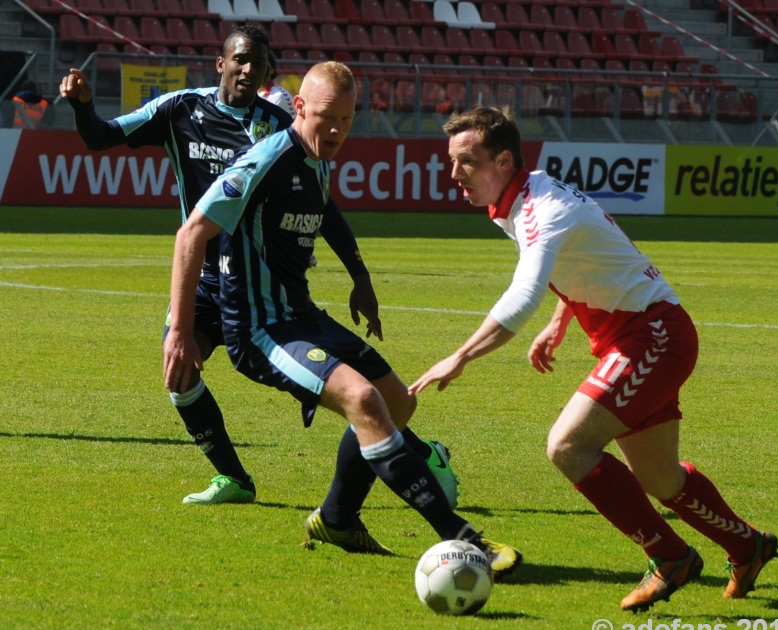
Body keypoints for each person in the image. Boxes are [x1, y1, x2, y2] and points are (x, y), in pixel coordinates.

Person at [59, 27, 458, 513]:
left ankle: (418, 452)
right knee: (179, 373)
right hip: (202, 279)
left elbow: (323, 207)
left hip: (256, 287)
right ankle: (233, 476)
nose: (250, 70)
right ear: (221, 63)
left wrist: (359, 273)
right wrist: (81, 106)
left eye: (260, 64)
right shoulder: (178, 109)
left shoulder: (279, 128)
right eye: (241, 60)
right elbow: (101, 138)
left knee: (337, 386)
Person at [409, 106, 778, 611]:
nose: (453, 174)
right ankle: (746, 545)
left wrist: (461, 357)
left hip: (651, 337)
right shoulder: (524, 197)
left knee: (567, 446)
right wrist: (562, 321)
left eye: (465, 162)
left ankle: (670, 557)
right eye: (450, 161)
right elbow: (589, 254)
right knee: (661, 478)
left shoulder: (543, 209)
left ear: (502, 160)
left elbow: (523, 295)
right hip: (647, 334)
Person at [163, 62, 522, 577]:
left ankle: (336, 518)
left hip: (300, 315)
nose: (336, 131)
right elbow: (191, 232)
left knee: (398, 402)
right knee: (364, 400)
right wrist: (179, 329)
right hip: (261, 329)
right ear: (301, 108)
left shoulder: (318, 161)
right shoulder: (266, 158)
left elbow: (324, 212)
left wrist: (360, 278)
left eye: (347, 120)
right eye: (327, 117)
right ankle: (465, 540)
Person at [258, 49, 296, 118]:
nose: (260, 70)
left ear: (272, 69)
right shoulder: (252, 94)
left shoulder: (279, 96)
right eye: (257, 66)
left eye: (264, 66)